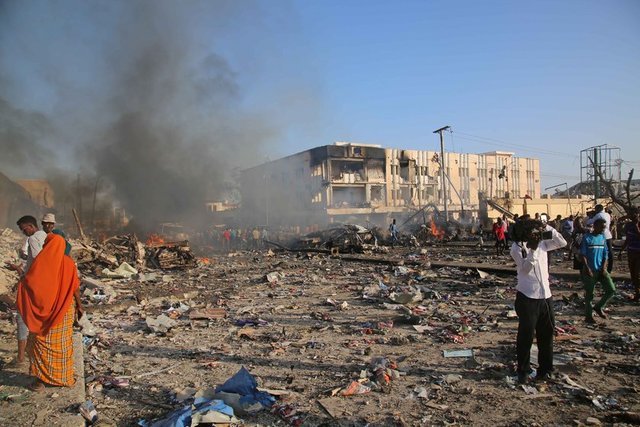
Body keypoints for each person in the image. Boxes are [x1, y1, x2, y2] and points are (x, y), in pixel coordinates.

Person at [16, 233, 80, 391]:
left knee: (40, 345)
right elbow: (75, 287)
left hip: (42, 315)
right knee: (62, 345)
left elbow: (30, 284)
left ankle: (40, 382)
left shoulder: (41, 262)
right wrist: (80, 306)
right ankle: (64, 377)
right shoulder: (69, 263)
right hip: (64, 311)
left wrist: (21, 278)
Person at [510, 218, 567, 383]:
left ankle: (545, 369)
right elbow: (526, 269)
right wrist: (533, 250)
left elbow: (562, 242)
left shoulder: (543, 243)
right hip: (527, 297)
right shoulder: (517, 248)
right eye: (533, 232)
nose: (536, 234)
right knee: (526, 336)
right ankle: (523, 370)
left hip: (545, 296)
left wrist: (546, 226)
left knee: (547, 335)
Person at [4, 215, 47, 369]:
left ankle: (21, 357)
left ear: (31, 226)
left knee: (22, 317)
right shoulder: (46, 236)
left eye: (24, 229)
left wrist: (18, 270)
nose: (24, 233)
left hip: (32, 286)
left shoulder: (33, 239)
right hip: (42, 286)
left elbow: (37, 263)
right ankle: (33, 353)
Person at [580, 218, 616, 323]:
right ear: (595, 226)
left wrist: (604, 268)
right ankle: (588, 316)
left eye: (604, 227)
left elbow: (606, 254)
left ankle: (599, 307)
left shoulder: (602, 237)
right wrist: (587, 268)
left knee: (611, 289)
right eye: (601, 227)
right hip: (590, 270)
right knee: (589, 295)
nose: (603, 229)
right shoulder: (587, 238)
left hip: (601, 270)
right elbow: (583, 255)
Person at [619, 209, 640, 301]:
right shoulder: (628, 225)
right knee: (633, 275)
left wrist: (636, 227)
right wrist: (621, 251)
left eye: (635, 214)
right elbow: (628, 238)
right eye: (631, 214)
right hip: (631, 252)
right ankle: (637, 294)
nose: (633, 216)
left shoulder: (637, 225)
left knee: (638, 274)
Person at [586, 205, 613, 273]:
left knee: (601, 252)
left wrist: (589, 218)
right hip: (608, 235)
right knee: (609, 252)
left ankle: (600, 268)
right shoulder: (607, 214)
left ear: (598, 209)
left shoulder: (598, 215)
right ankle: (609, 268)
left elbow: (589, 222)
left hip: (601, 236)